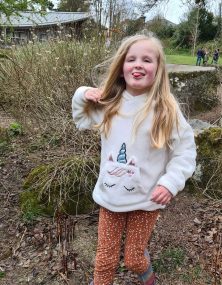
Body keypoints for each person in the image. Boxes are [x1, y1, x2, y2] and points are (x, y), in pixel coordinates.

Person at [72, 32, 197, 285]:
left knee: (134, 259)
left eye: (147, 60)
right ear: (121, 68)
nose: (138, 64)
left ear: (158, 69)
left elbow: (185, 152)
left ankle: (149, 278)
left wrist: (169, 183)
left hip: (146, 199)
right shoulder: (109, 103)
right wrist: (83, 93)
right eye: (131, 59)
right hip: (111, 196)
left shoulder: (166, 109)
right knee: (105, 260)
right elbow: (81, 119)